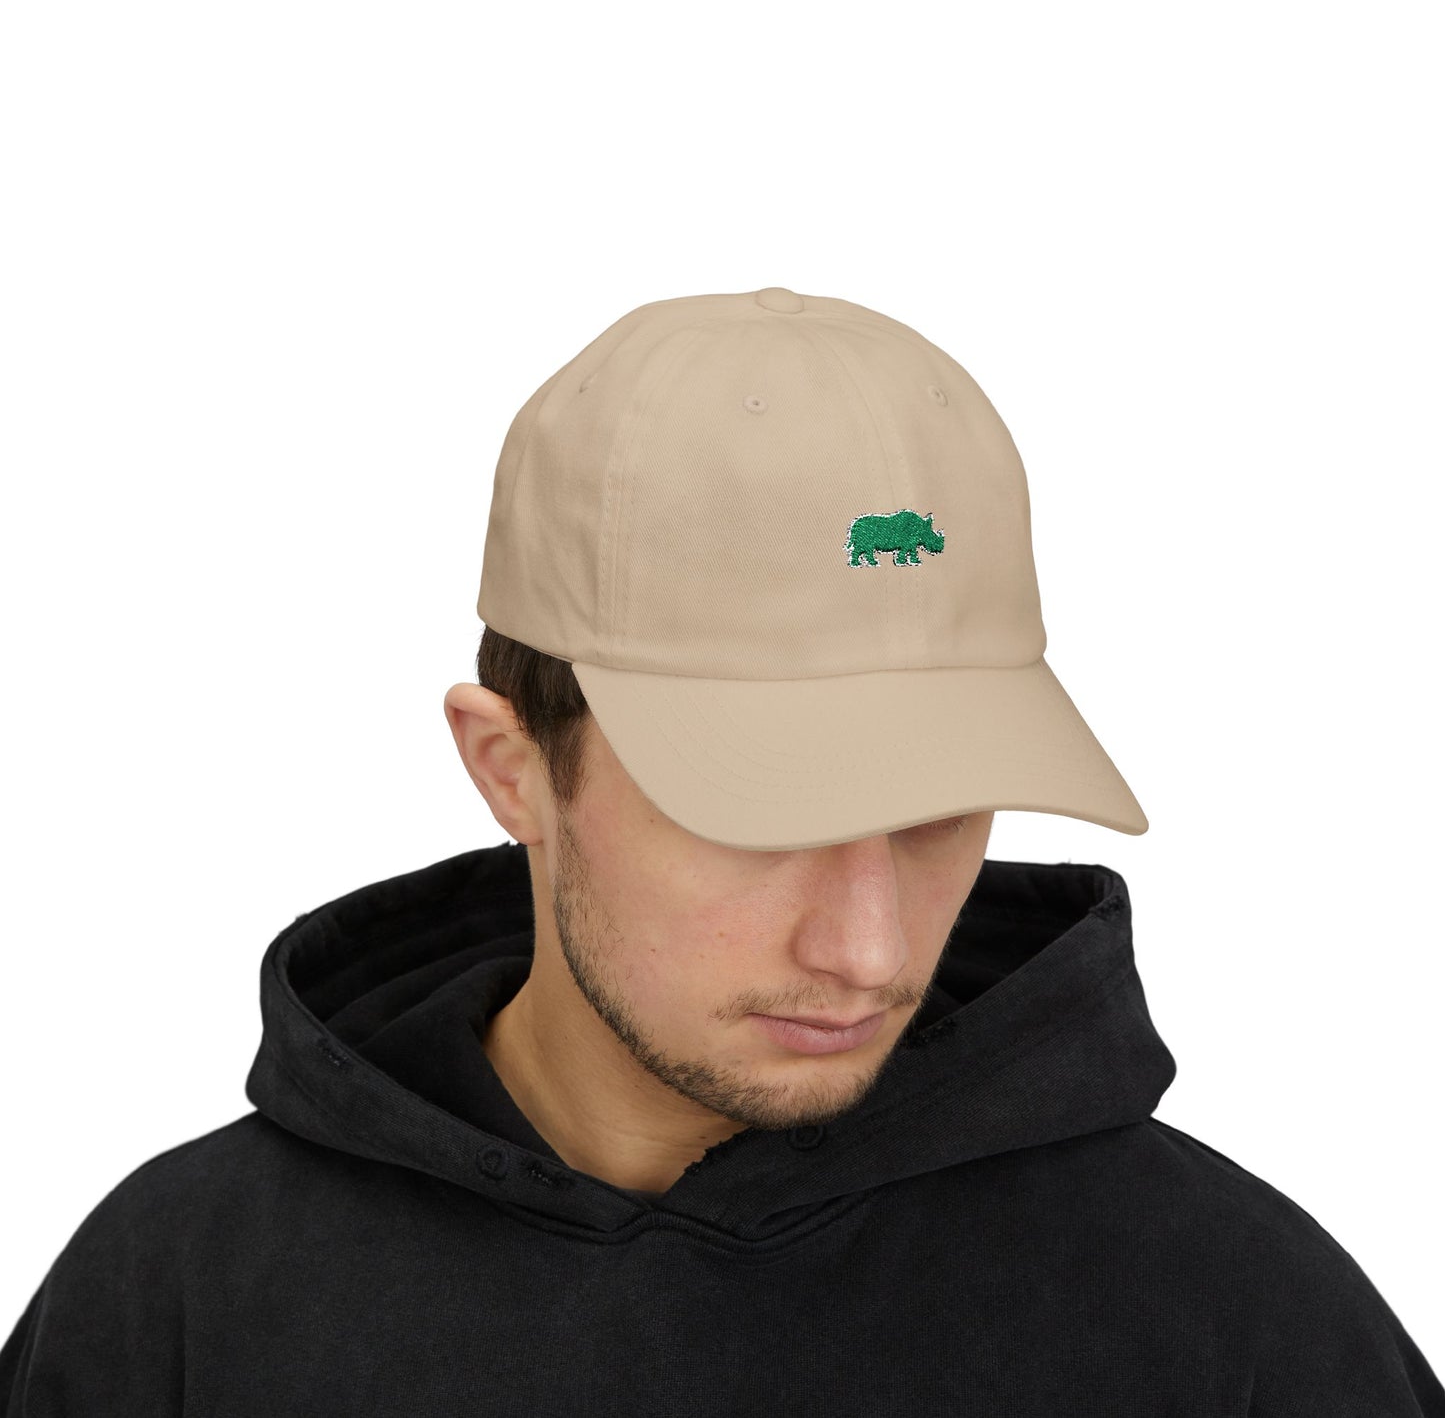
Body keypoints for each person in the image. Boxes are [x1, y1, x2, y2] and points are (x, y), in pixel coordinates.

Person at [2, 286, 1439, 1414]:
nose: (868, 949)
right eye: (761, 815)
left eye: (940, 810)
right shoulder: (179, 1304)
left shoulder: (1232, 1317)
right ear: (511, 766)